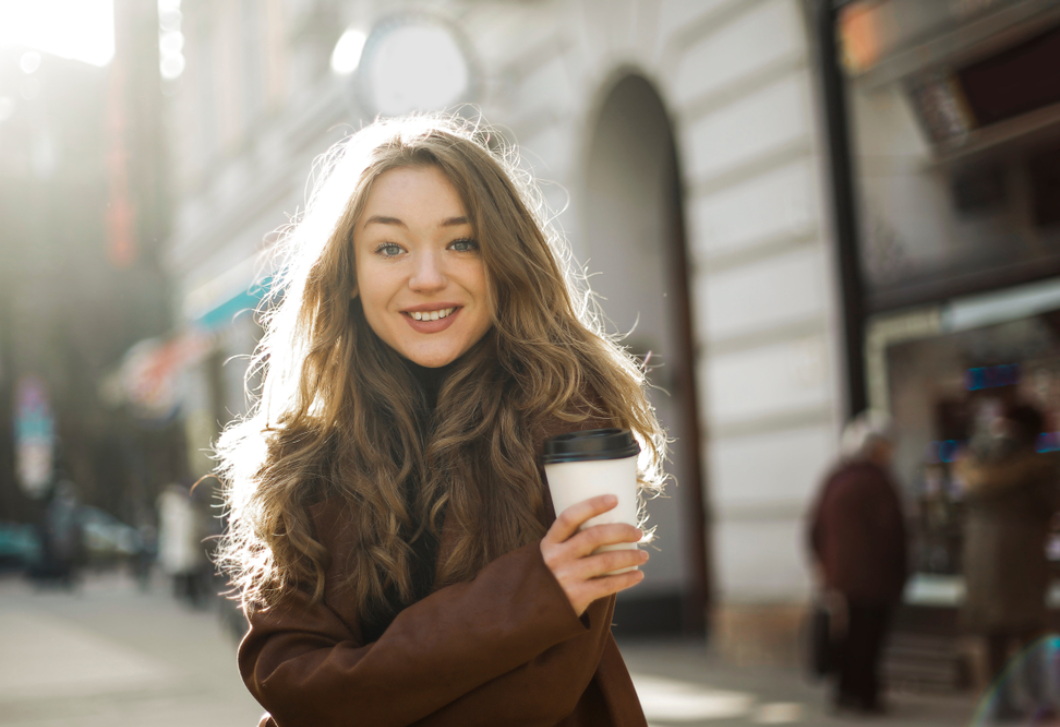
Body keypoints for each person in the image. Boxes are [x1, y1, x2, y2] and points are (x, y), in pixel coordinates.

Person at [215, 114, 666, 727]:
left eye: (462, 242)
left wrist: (356, 691)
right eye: (390, 248)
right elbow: (289, 678)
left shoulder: (573, 415)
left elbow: (539, 690)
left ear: (505, 259)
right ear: (349, 275)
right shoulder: (302, 451)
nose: (427, 279)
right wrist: (531, 595)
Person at [957, 402, 1059, 721]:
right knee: (1030, 629)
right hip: (1022, 554)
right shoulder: (1036, 465)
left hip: (980, 556)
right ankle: (1038, 700)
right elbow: (1051, 503)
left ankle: (999, 701)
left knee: (992, 635)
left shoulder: (975, 461)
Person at [808, 411, 908, 714]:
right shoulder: (878, 481)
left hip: (840, 578)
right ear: (875, 448)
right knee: (869, 639)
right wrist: (900, 570)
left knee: (849, 635)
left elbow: (813, 530)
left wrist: (826, 568)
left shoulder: (835, 478)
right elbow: (894, 533)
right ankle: (865, 695)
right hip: (874, 578)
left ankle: (845, 691)